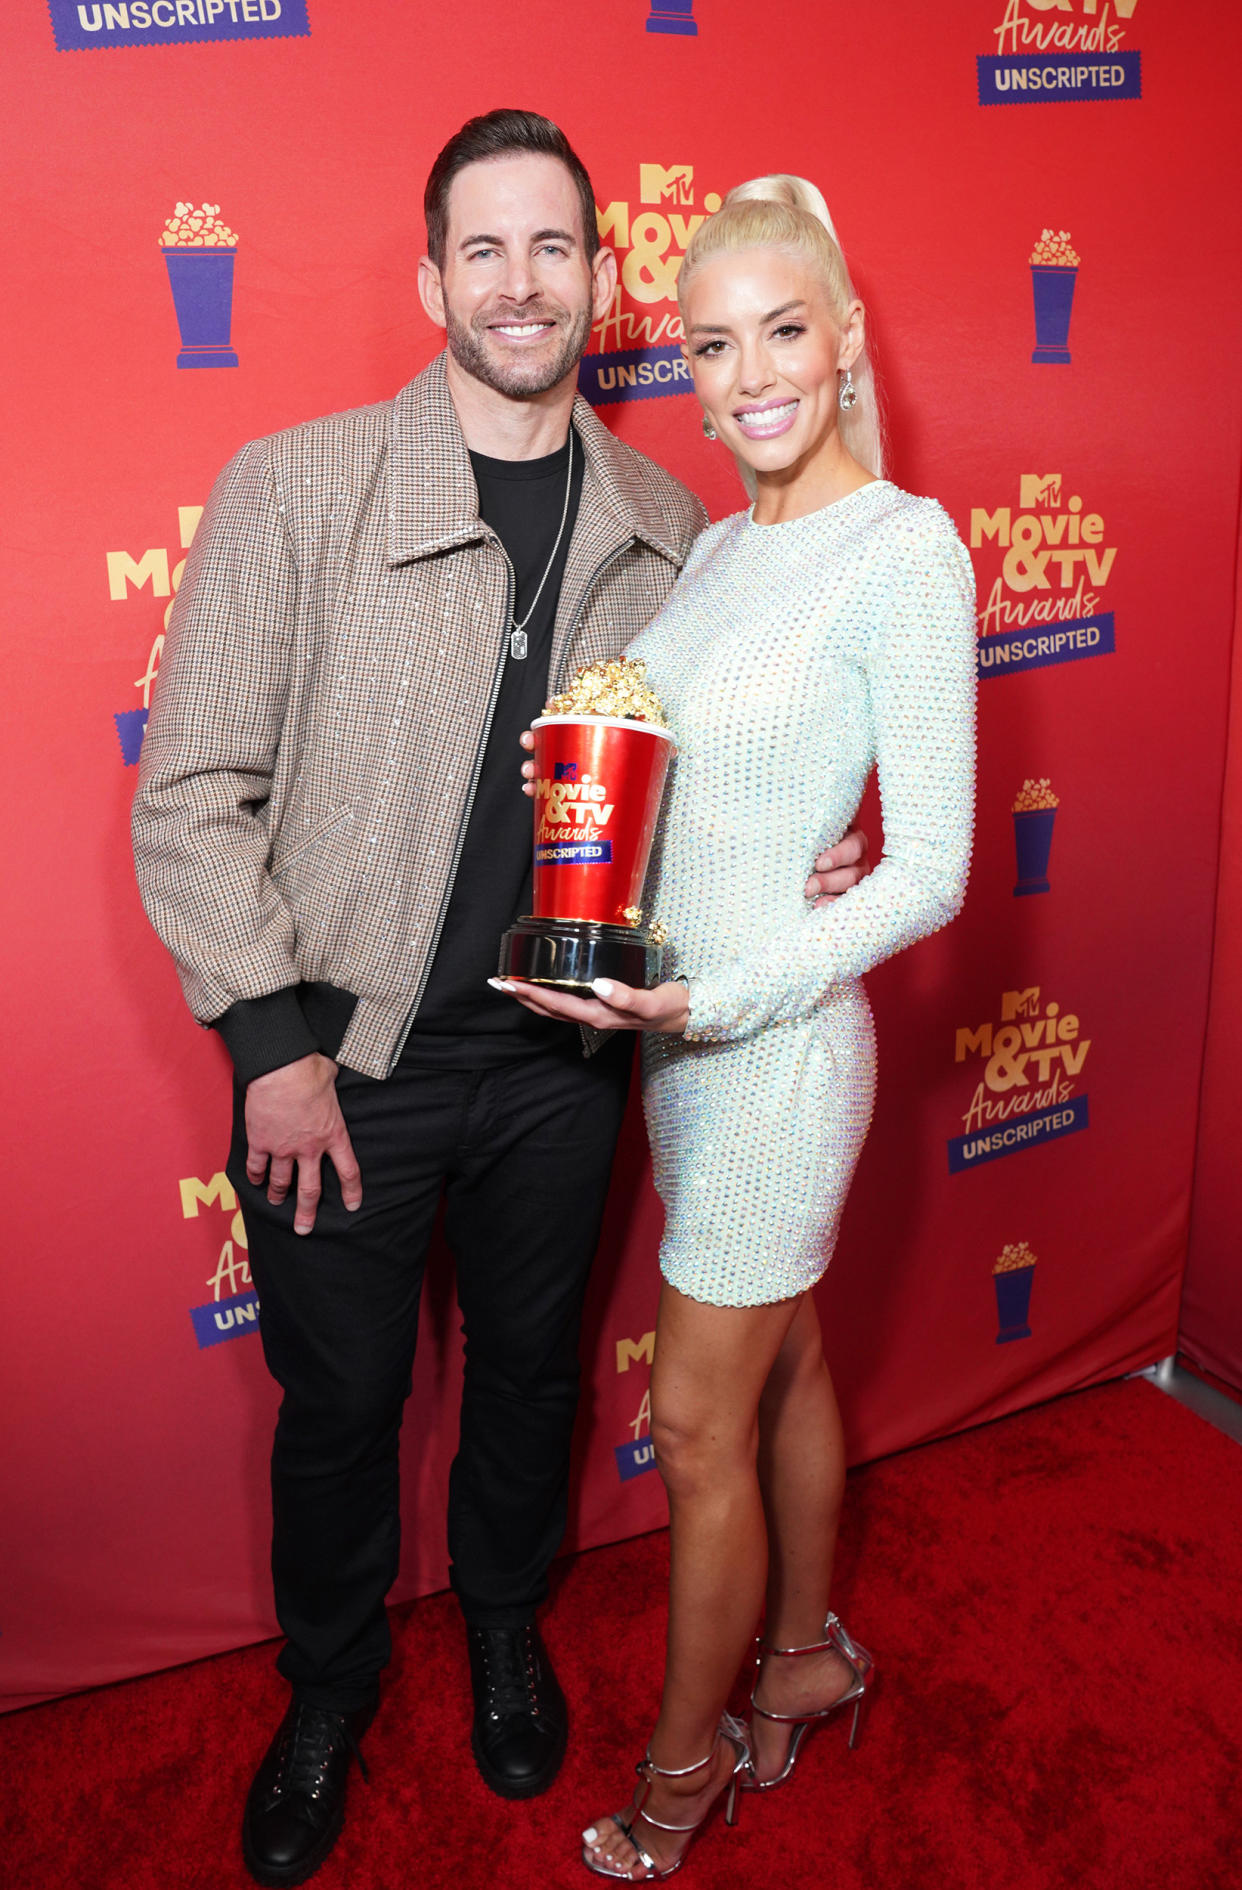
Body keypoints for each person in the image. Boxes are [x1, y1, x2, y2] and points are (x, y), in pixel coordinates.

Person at [132, 115, 867, 1889]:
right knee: (340, 1405)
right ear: (431, 279)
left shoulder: (673, 527)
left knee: (533, 1379)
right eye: (484, 249)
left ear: (601, 281)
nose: (520, 282)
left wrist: (807, 863)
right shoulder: (297, 488)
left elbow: (699, 795)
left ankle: (505, 1623)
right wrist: (270, 1045)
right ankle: (327, 1687)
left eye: (553, 248)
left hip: (559, 1064)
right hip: (345, 1060)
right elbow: (186, 793)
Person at [499, 174, 976, 1880]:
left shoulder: (904, 548)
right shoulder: (714, 545)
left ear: (846, 339)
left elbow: (926, 867)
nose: (748, 373)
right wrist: (612, 936)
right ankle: (799, 1656)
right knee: (788, 1379)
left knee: (699, 1427)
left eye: (784, 330)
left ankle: (682, 1767)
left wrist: (731, 980)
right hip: (675, 1052)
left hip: (773, 1057)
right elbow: (706, 804)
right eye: (712, 343)